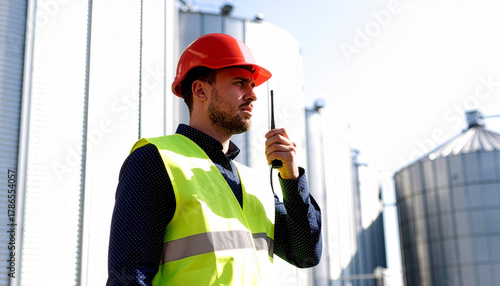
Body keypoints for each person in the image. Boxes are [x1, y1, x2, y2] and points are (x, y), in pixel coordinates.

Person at [107, 33, 322, 286]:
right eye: (240, 83)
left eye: (252, 85)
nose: (252, 95)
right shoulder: (155, 160)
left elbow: (306, 255)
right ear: (200, 90)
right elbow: (129, 277)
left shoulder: (255, 184)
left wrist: (291, 177)